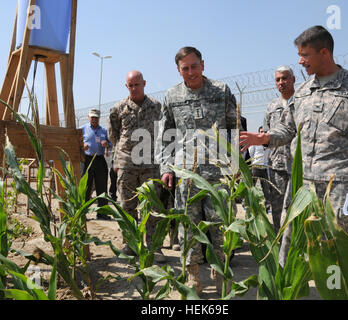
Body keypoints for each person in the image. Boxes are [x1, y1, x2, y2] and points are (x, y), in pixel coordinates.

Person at [240, 26, 348, 247]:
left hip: (339, 186)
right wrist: (264, 138)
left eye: (304, 55)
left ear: (324, 53)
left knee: (335, 250)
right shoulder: (302, 92)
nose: (300, 61)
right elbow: (288, 129)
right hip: (302, 184)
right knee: (291, 245)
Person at [158, 46, 237, 295]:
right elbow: (165, 136)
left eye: (194, 66)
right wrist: (165, 167)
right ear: (179, 70)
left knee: (220, 225)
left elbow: (234, 131)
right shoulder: (171, 96)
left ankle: (220, 273)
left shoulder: (221, 91)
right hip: (185, 174)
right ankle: (193, 277)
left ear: (203, 64)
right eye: (185, 68)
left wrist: (236, 167)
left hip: (218, 173)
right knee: (188, 226)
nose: (190, 72)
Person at [109, 70, 165, 262]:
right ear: (126, 86)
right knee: (127, 205)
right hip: (127, 163)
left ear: (144, 83)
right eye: (130, 85)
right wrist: (118, 159)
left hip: (151, 163)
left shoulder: (157, 107)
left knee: (152, 206)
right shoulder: (119, 108)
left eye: (137, 84)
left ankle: (154, 246)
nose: (134, 88)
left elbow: (163, 133)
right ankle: (131, 243)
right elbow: (114, 134)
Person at [263, 66, 295, 233]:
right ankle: (280, 241)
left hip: (298, 165)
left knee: (296, 208)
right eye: (278, 80)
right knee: (277, 207)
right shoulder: (272, 106)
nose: (281, 82)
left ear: (293, 79)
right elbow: (266, 131)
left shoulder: (301, 102)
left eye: (284, 78)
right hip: (277, 165)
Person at [81, 108, 110, 219]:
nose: (94, 119)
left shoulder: (103, 131)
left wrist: (106, 144)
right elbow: (75, 140)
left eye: (96, 117)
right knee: (86, 187)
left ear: (99, 118)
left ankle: (102, 213)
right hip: (87, 160)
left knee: (102, 186)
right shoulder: (83, 129)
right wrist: (82, 144)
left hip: (99, 160)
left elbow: (110, 144)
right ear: (89, 117)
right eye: (92, 117)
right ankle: (82, 213)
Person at [248, 126, 271, 209]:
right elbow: (251, 153)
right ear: (258, 133)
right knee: (252, 186)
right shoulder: (255, 142)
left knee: (266, 188)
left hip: (264, 168)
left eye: (264, 132)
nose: (262, 133)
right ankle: (248, 203)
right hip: (256, 167)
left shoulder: (269, 143)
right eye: (261, 131)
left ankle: (267, 205)